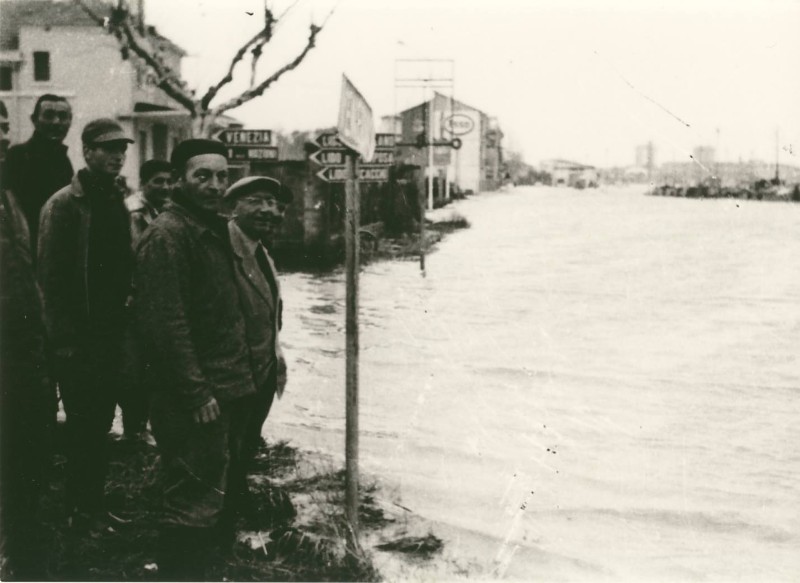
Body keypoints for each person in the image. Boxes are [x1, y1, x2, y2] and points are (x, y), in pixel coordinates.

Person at [135, 139, 257, 580]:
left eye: (221, 176)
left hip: (227, 387)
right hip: (196, 396)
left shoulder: (213, 228)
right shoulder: (169, 235)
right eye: (202, 175)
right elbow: (165, 324)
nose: (214, 184)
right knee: (192, 501)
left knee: (214, 496)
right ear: (181, 180)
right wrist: (195, 391)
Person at [37, 118, 134, 533]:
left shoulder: (116, 200)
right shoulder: (63, 205)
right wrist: (62, 340)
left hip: (111, 334)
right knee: (82, 425)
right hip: (78, 339)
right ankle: (79, 510)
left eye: (121, 149)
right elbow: (49, 278)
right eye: (108, 148)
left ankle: (94, 504)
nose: (117, 156)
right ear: (87, 151)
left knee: (101, 422)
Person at [0, 99, 56, 580]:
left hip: (25, 356)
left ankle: (21, 551)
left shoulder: (10, 197)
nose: (0, 138)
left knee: (28, 457)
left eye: (2, 129)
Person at [118, 159, 172, 443]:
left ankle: (143, 427)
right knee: (133, 368)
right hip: (134, 298)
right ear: (144, 183)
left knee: (152, 364)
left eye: (168, 181)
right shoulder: (132, 211)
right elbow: (132, 254)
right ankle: (133, 430)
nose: (164, 186)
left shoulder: (164, 210)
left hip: (156, 299)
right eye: (157, 181)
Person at [5, 94, 74, 252]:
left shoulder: (64, 161)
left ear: (70, 121)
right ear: (34, 120)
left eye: (63, 116)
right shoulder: (17, 156)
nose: (56, 122)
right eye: (49, 115)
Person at [126, 159, 172, 245]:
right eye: (159, 181)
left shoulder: (165, 207)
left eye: (169, 182)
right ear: (143, 183)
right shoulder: (134, 211)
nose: (166, 187)